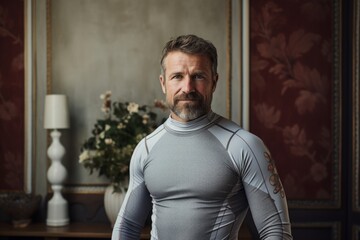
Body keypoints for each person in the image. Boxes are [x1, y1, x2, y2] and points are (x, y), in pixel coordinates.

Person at [112, 34, 292, 240]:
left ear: (214, 82)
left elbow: (275, 232)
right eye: (177, 76)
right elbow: (126, 227)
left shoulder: (245, 146)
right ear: (163, 83)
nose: (187, 88)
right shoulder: (145, 148)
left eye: (198, 76)